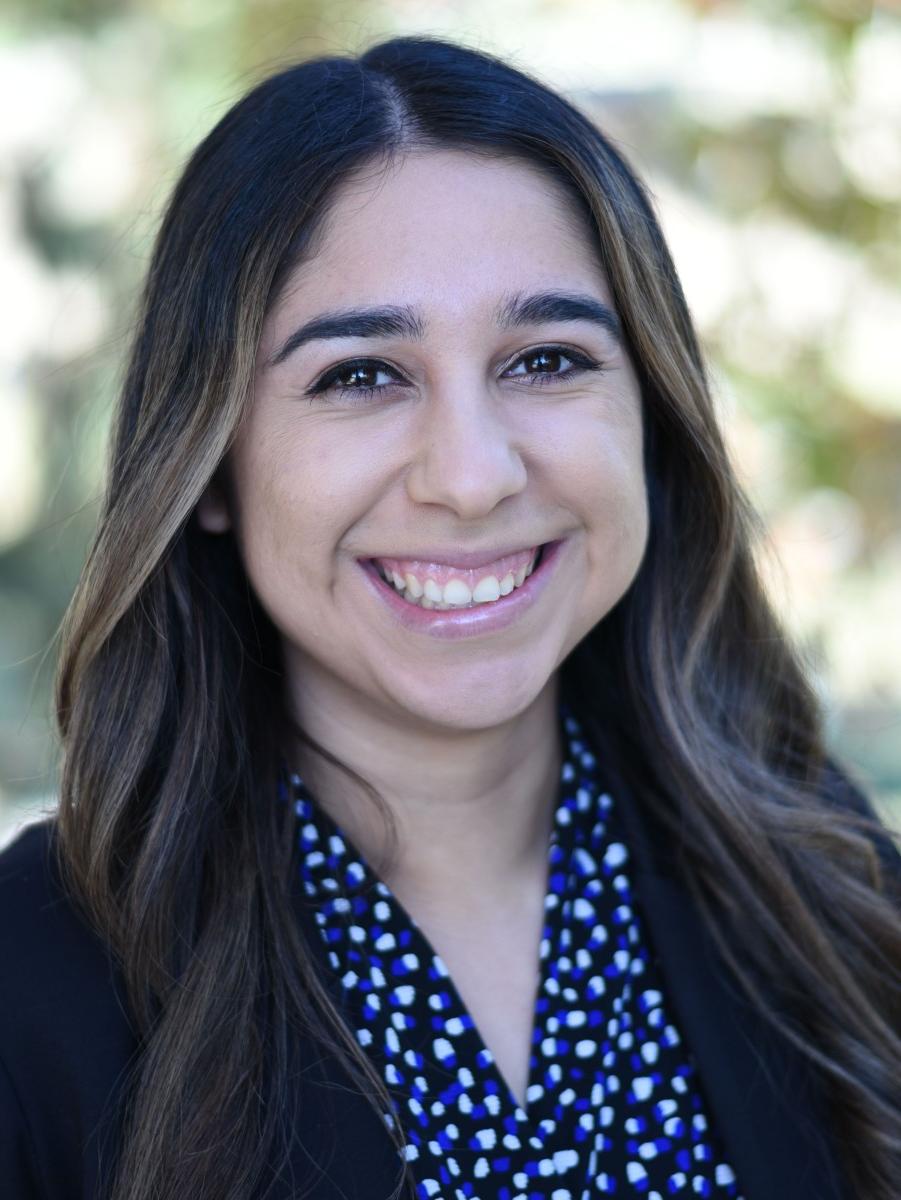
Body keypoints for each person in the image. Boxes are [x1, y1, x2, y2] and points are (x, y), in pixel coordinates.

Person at [0, 34, 898, 1200]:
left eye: (544, 360)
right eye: (362, 375)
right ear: (210, 463)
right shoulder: (33, 978)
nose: (471, 477)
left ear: (651, 415)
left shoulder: (821, 878)